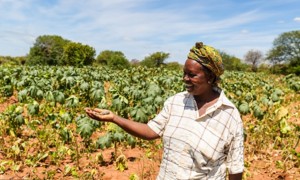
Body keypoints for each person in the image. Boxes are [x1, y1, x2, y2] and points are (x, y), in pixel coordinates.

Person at [85, 42, 244, 180]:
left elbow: (235, 167)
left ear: (209, 76)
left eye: (192, 75)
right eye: (184, 73)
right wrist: (114, 118)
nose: (185, 79)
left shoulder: (229, 114)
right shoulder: (176, 102)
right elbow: (151, 131)